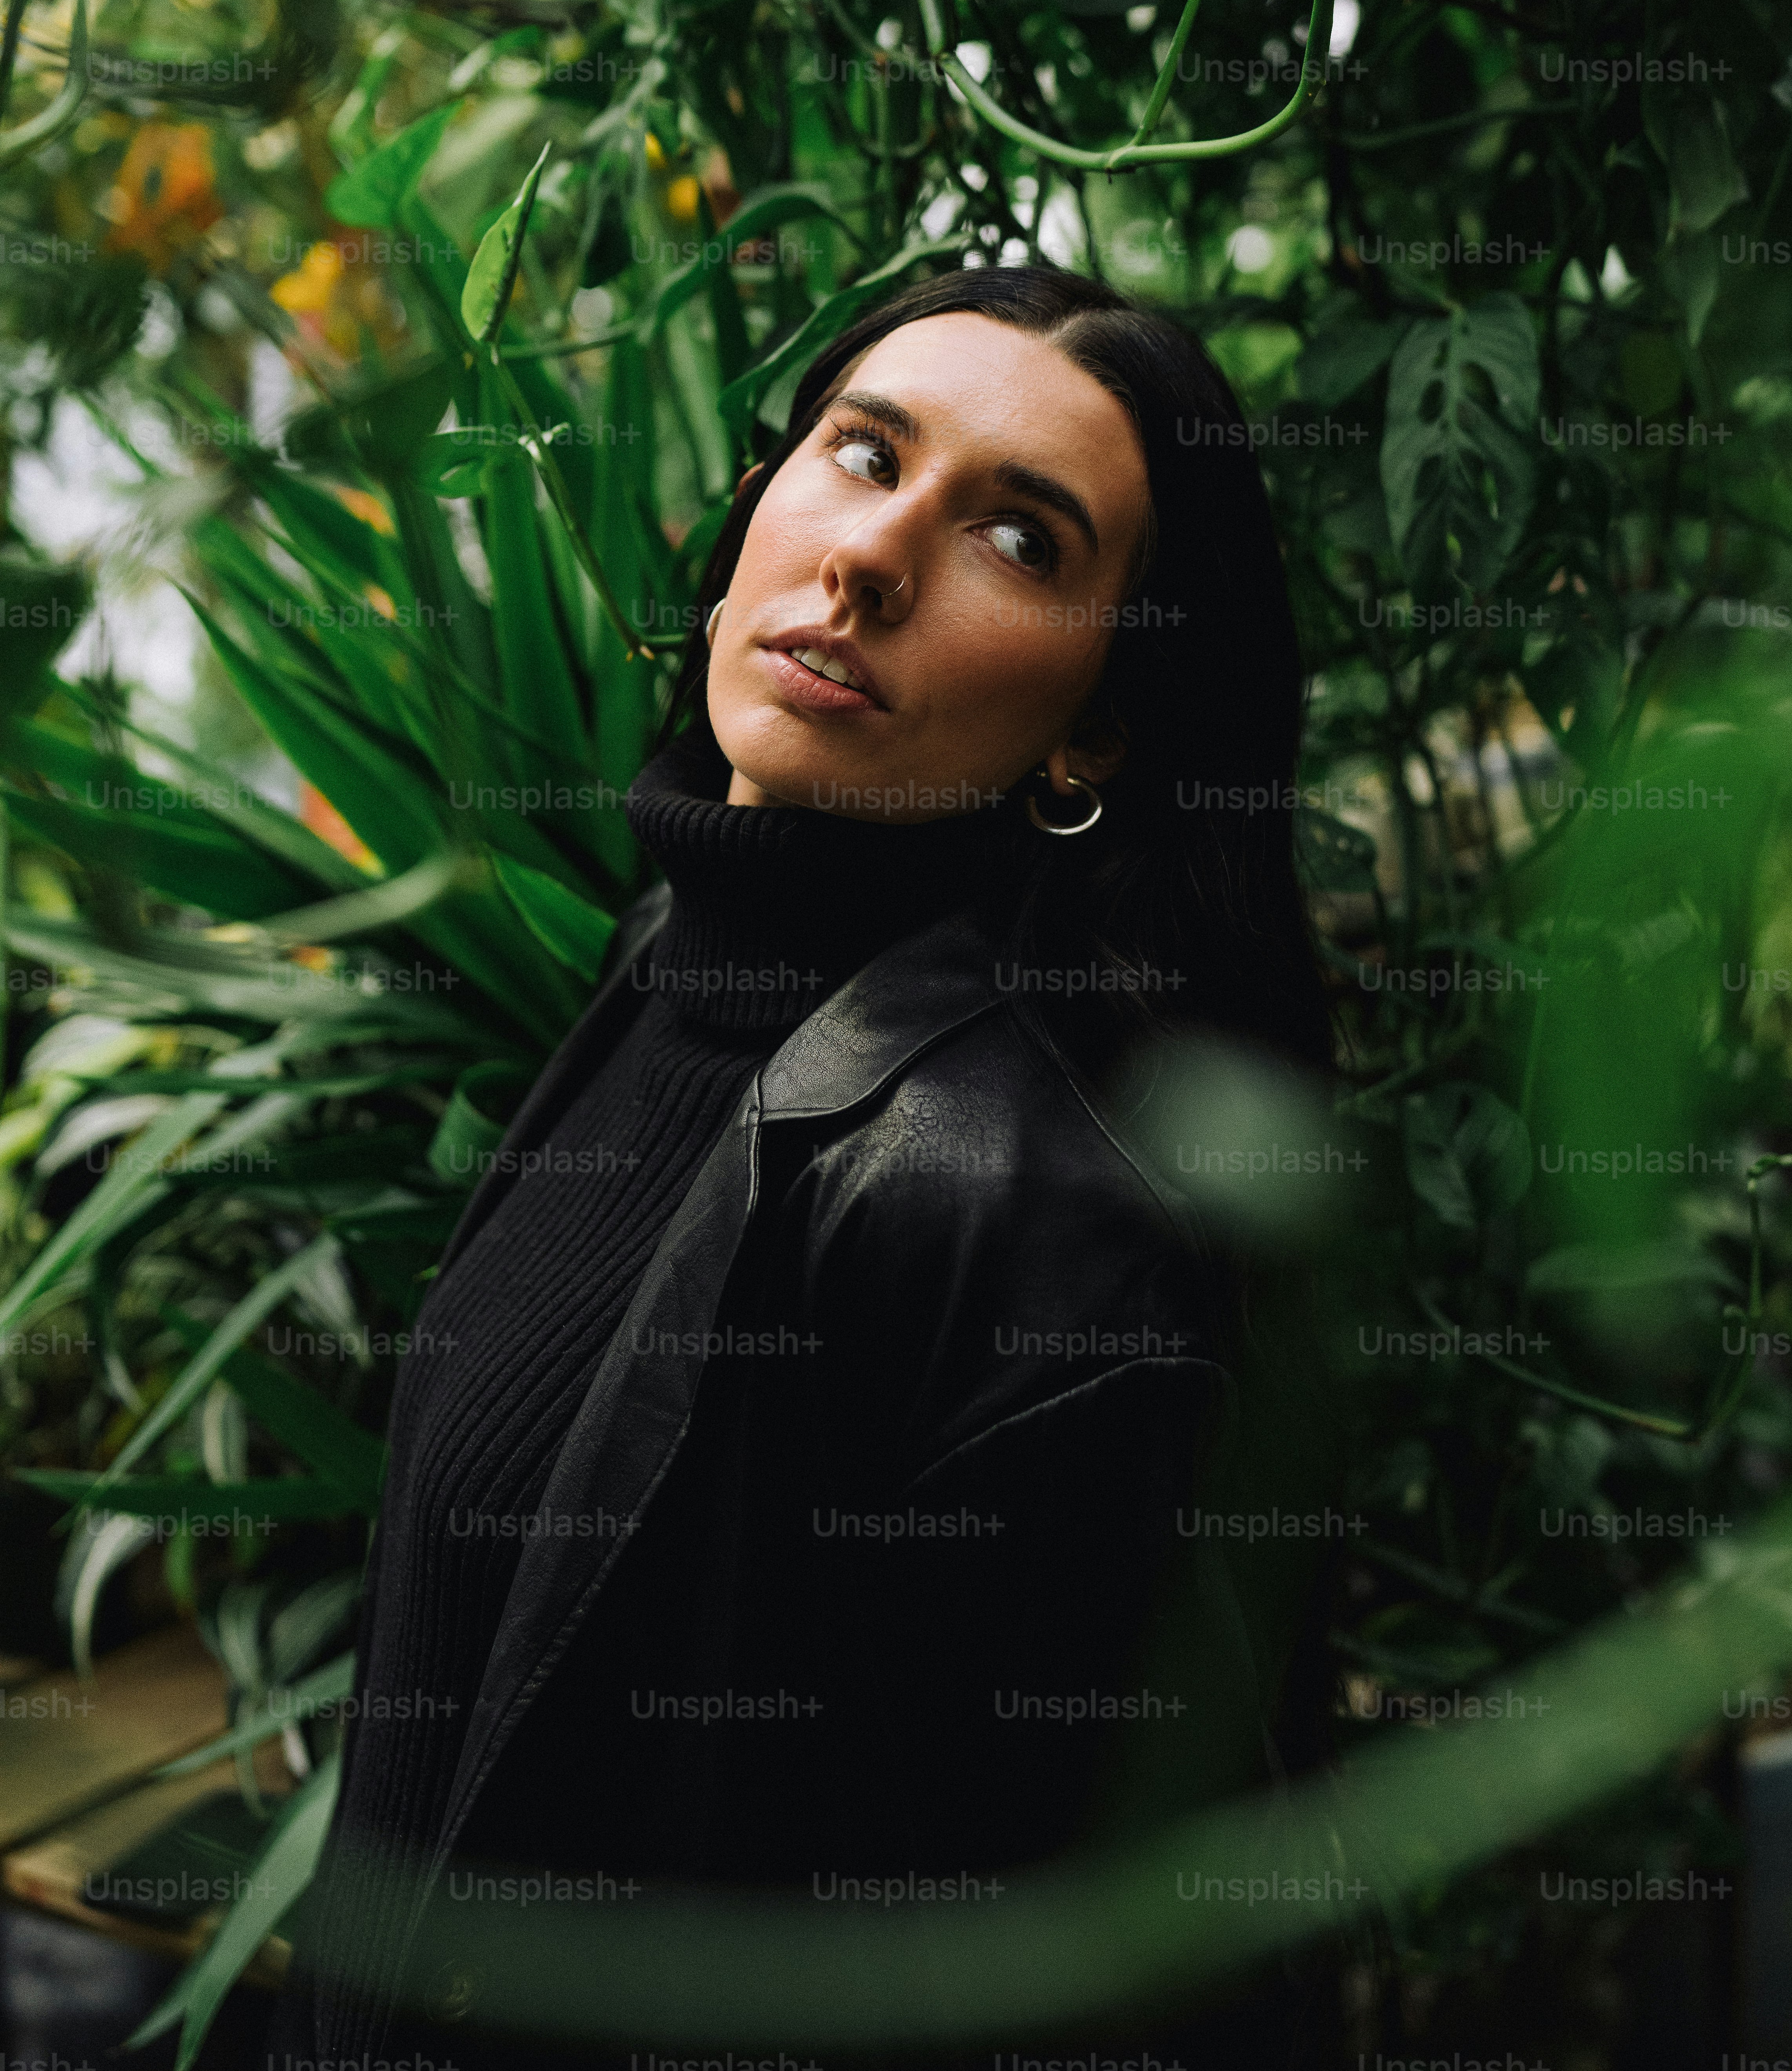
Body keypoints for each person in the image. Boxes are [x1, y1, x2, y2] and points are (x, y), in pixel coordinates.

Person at [277, 263, 1340, 2068]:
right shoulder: (666, 969)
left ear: (1093, 729)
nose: (874, 557)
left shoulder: (1038, 1228)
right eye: (864, 453)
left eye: (1018, 538)